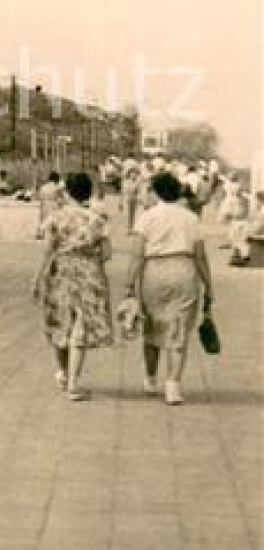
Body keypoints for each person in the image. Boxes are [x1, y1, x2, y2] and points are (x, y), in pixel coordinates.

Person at [127, 171, 213, 405]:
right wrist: (209, 285)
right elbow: (201, 257)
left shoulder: (146, 217)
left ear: (156, 192)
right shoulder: (191, 218)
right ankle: (173, 386)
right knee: (179, 329)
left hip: (154, 272)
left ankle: (151, 378)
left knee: (152, 326)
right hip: (184, 270)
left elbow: (137, 256)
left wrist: (129, 286)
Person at [32, 172, 115, 401]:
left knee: (60, 323)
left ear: (67, 192)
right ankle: (74, 384)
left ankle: (64, 373)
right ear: (88, 193)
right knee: (80, 326)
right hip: (89, 274)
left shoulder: (54, 218)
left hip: (59, 271)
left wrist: (38, 278)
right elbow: (107, 254)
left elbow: (47, 250)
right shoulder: (97, 220)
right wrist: (89, 255)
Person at [36, 172, 63, 237]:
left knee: (43, 219)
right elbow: (60, 198)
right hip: (54, 205)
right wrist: (60, 205)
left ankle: (40, 233)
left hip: (44, 204)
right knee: (55, 221)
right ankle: (55, 234)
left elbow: (40, 198)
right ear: (56, 179)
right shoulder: (57, 188)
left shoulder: (43, 187)